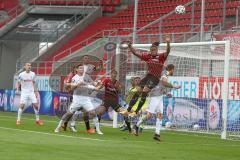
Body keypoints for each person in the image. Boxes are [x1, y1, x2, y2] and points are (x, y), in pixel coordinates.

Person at [132, 64, 181, 141]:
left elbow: (161, 86)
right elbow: (164, 83)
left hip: (159, 97)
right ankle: (136, 126)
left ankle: (157, 134)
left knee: (160, 115)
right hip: (155, 97)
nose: (173, 71)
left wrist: (166, 93)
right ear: (171, 69)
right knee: (149, 115)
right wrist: (175, 86)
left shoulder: (164, 75)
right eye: (173, 70)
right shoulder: (165, 74)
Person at [126, 37, 171, 117]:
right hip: (148, 76)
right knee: (138, 90)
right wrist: (130, 46)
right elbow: (135, 53)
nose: (153, 51)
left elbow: (168, 51)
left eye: (154, 50)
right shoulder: (148, 56)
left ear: (157, 50)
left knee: (145, 91)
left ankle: (136, 111)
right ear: (150, 50)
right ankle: (128, 110)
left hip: (155, 78)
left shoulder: (161, 57)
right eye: (152, 50)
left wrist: (168, 43)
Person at [55, 64, 101, 134]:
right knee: (68, 114)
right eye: (80, 68)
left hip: (86, 100)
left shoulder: (86, 77)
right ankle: (58, 127)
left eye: (82, 68)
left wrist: (97, 85)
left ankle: (98, 130)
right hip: (77, 100)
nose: (82, 69)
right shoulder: (74, 78)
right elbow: (72, 88)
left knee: (93, 113)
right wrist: (78, 84)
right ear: (76, 70)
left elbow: (89, 85)